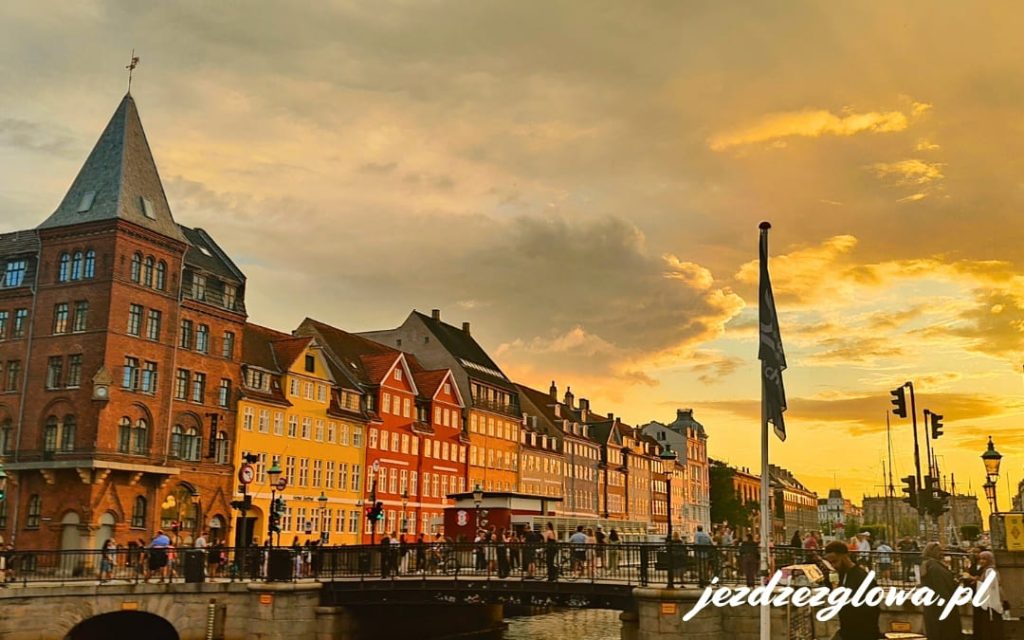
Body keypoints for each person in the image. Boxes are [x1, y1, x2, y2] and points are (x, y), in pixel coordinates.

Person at [823, 541, 881, 640]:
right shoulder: (842, 574)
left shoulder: (862, 577)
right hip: (847, 632)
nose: (833, 566)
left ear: (845, 556)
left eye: (835, 561)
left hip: (863, 633)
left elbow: (871, 608)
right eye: (830, 563)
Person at [920, 542, 964, 640]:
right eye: (939, 550)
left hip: (935, 607)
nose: (942, 552)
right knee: (945, 632)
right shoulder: (934, 567)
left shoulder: (929, 565)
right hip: (942, 607)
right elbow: (941, 587)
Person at [968, 550, 1005, 640]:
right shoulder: (987, 570)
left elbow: (989, 586)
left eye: (984, 559)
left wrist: (974, 579)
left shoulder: (989, 571)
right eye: (980, 559)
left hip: (990, 605)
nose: (981, 561)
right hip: (990, 604)